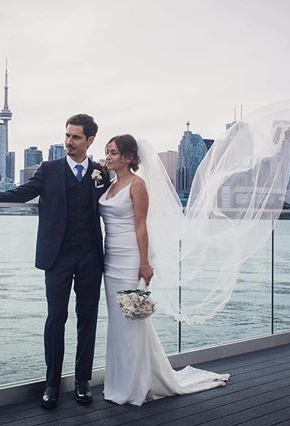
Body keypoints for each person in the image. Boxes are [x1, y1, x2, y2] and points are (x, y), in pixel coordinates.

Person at [0, 114, 111, 410]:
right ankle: (52, 384)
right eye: (67, 135)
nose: (69, 142)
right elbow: (22, 193)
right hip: (56, 256)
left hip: (90, 257)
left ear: (90, 140)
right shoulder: (49, 169)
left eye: (76, 137)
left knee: (88, 320)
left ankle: (82, 382)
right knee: (56, 318)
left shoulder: (101, 173)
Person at [99, 134, 229, 406]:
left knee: (132, 321)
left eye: (112, 153)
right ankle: (121, 380)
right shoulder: (110, 185)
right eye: (107, 152)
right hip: (109, 261)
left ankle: (136, 384)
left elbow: (140, 225)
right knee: (118, 324)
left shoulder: (137, 185)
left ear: (128, 158)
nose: (107, 157)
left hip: (130, 261)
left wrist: (144, 263)